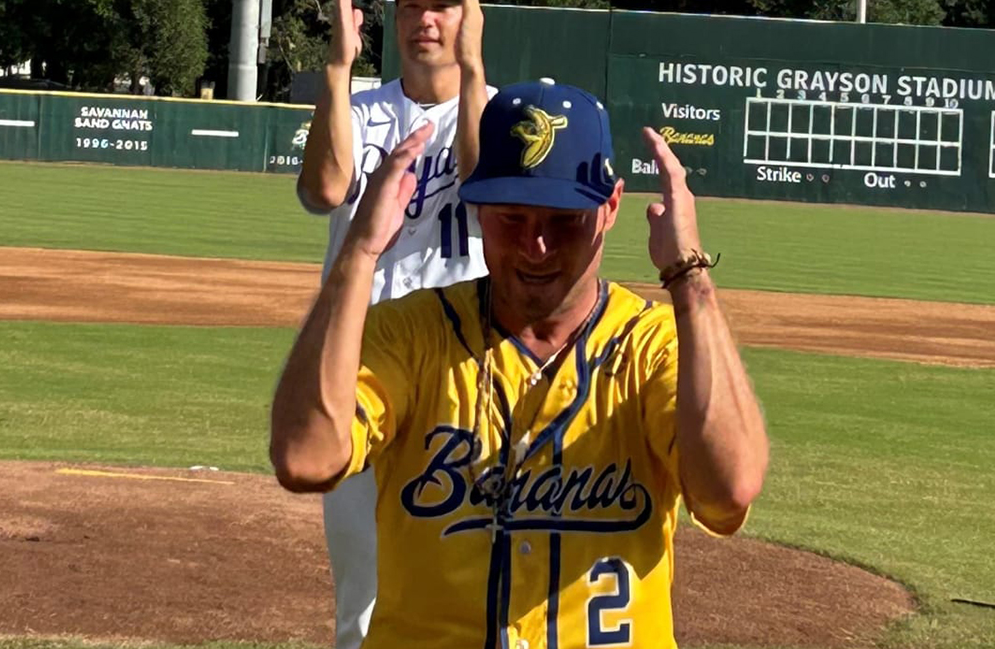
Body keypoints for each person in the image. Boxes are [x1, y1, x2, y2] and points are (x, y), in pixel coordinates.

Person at [271, 78, 769, 649]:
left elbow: (729, 489)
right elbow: (306, 458)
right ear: (477, 207)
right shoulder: (412, 334)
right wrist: (357, 253)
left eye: (563, 220)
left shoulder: (651, 345)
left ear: (610, 208)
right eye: (513, 218)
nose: (537, 246)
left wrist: (689, 276)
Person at [294, 0, 494, 649]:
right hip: (363, 363)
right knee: (365, 589)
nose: (425, 20)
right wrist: (337, 70)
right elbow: (322, 191)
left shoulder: (498, 112)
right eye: (411, 5)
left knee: (474, 570)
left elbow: (480, 187)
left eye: (441, 4)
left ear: (469, 16)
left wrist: (473, 71)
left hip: (461, 368)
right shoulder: (358, 107)